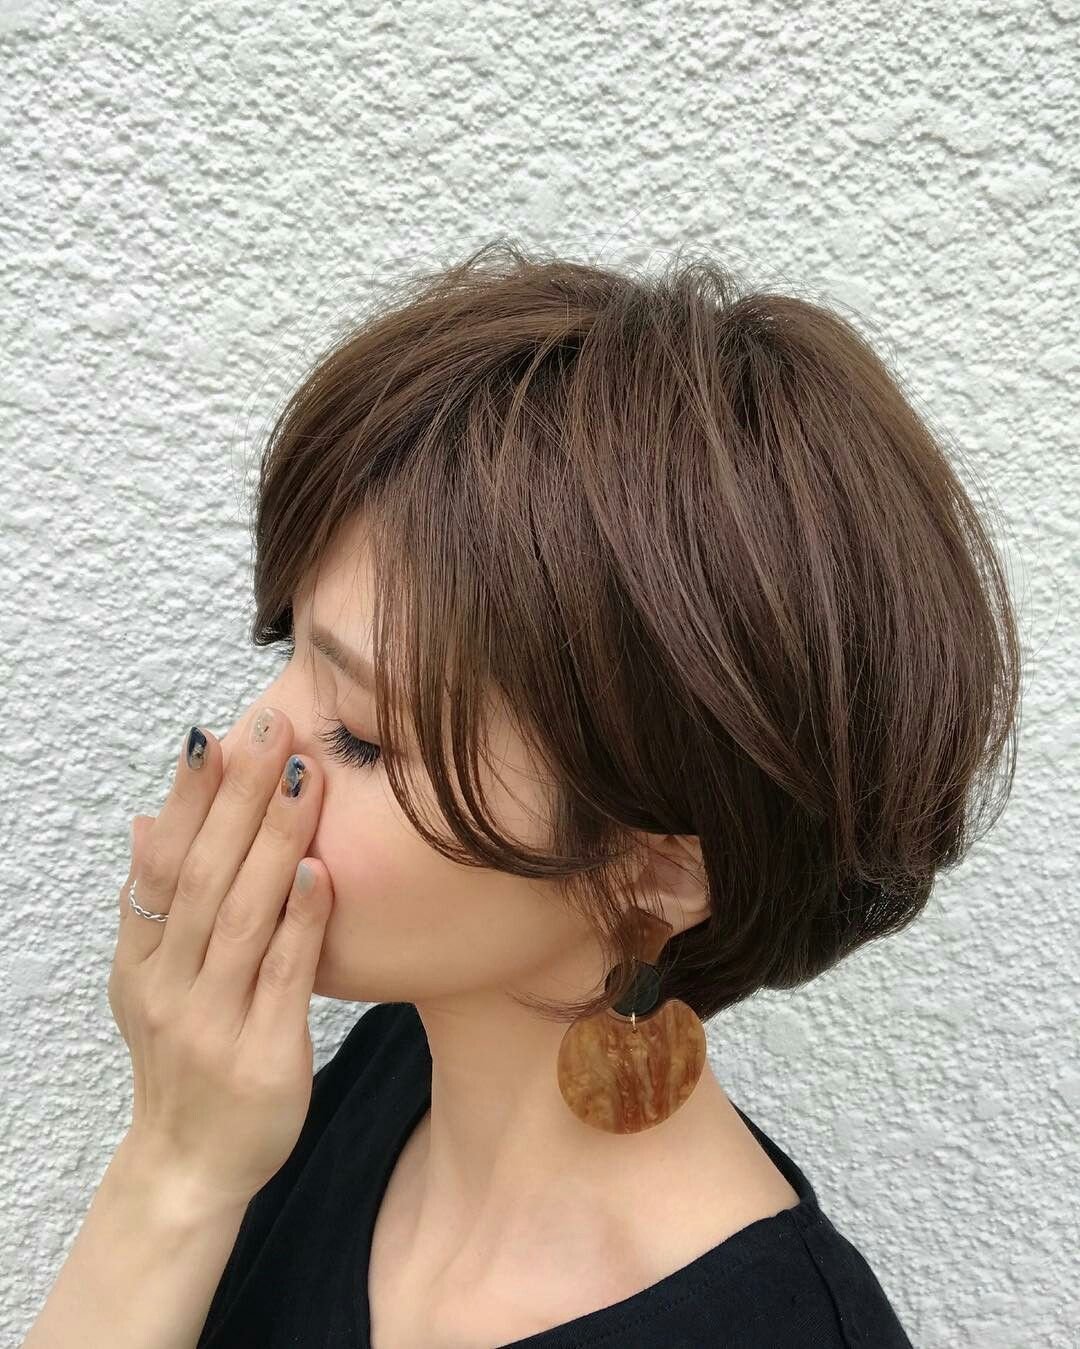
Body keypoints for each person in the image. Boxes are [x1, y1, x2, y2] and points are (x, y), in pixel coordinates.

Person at [24, 240, 1020, 1348]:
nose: (256, 745)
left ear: (658, 869)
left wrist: (177, 1169)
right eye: (286, 645)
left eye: (359, 734)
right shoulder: (370, 1078)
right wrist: (179, 1160)